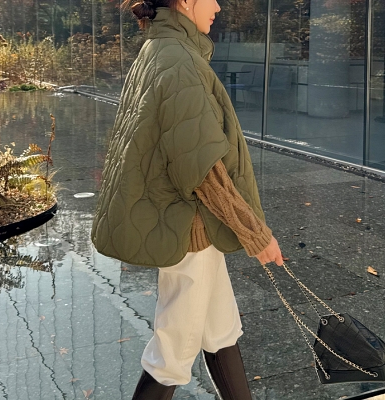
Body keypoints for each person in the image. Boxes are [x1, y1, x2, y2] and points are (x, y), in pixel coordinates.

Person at [91, 0, 283, 397]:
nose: (218, 6)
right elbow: (202, 168)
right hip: (188, 227)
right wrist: (255, 233)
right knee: (172, 355)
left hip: (183, 223)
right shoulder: (178, 59)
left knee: (220, 330)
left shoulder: (161, 48)